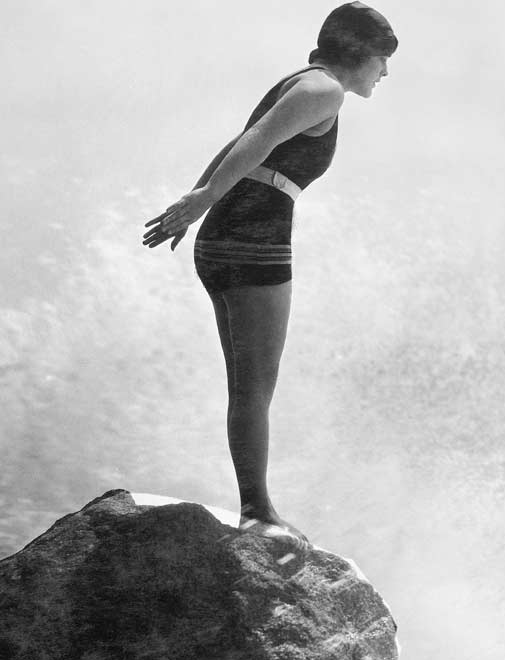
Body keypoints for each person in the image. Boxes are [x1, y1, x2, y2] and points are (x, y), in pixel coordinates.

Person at [142, 3, 397, 548]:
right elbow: (254, 145)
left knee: (246, 385)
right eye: (383, 59)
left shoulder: (302, 83)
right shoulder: (323, 90)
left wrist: (198, 203)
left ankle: (254, 507)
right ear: (359, 53)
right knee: (255, 386)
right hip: (253, 240)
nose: (385, 72)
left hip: (224, 236)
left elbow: (243, 140)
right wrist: (201, 199)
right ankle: (257, 512)